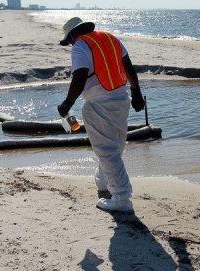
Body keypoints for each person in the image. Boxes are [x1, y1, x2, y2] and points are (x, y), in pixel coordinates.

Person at [57, 17, 146, 213]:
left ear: (72, 35)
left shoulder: (80, 45)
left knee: (106, 149)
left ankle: (121, 197)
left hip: (99, 102)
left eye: (69, 40)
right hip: (121, 98)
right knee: (115, 145)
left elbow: (80, 76)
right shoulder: (110, 38)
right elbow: (128, 65)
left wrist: (67, 103)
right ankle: (103, 183)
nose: (71, 43)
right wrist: (136, 92)